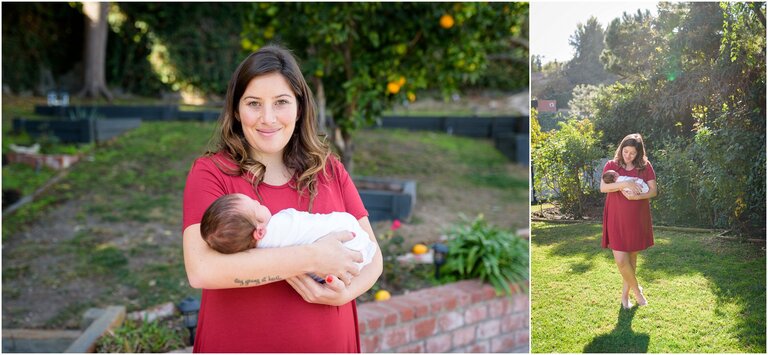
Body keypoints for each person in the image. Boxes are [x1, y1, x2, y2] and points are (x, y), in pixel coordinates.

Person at [182, 45, 383, 352]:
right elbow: (202, 269)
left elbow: (375, 258)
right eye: (253, 103)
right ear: (236, 109)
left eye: (281, 102)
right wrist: (313, 257)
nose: (268, 118)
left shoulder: (329, 169)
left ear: (299, 107)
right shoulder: (211, 172)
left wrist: (345, 293)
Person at [200, 193, 377, 272]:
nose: (258, 202)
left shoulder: (256, 255)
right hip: (351, 239)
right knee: (343, 222)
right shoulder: (282, 225)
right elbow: (304, 224)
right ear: (260, 232)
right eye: (256, 206)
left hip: (340, 269)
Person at [600, 133, 658, 310]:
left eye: (632, 153)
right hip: (616, 217)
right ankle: (638, 291)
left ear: (638, 153)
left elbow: (654, 191)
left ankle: (625, 296)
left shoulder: (645, 166)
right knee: (620, 260)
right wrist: (625, 184)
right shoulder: (611, 165)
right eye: (625, 151)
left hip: (636, 216)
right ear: (621, 149)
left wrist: (637, 196)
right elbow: (603, 187)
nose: (628, 155)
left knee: (632, 257)